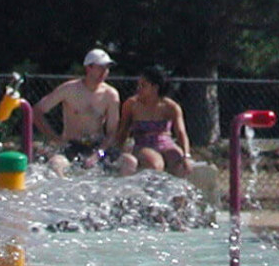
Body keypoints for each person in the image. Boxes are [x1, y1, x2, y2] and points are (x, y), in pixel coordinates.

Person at [33, 48, 120, 177]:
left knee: (128, 163)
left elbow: (112, 131)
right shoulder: (69, 89)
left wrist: (99, 153)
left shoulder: (110, 95)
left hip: (97, 146)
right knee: (56, 165)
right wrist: (55, 138)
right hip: (71, 145)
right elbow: (37, 111)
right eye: (100, 68)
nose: (104, 72)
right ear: (88, 68)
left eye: (106, 68)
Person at [113, 66, 194, 179]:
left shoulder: (170, 107)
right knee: (155, 163)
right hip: (143, 143)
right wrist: (117, 150)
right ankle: (154, 193)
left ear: (155, 88)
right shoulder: (132, 105)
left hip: (165, 142)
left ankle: (178, 196)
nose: (138, 89)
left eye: (143, 86)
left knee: (179, 163)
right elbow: (123, 131)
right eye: (138, 85)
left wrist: (186, 155)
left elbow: (181, 133)